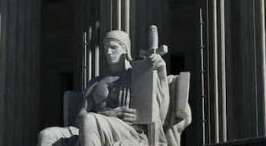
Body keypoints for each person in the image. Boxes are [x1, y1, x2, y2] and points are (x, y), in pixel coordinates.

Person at [38, 30, 170, 146]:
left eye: (113, 47)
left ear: (125, 49)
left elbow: (161, 112)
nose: (108, 52)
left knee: (90, 121)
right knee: (47, 135)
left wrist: (162, 74)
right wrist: (110, 114)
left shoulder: (137, 76)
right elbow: (79, 118)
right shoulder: (95, 82)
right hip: (92, 127)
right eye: (106, 48)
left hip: (129, 130)